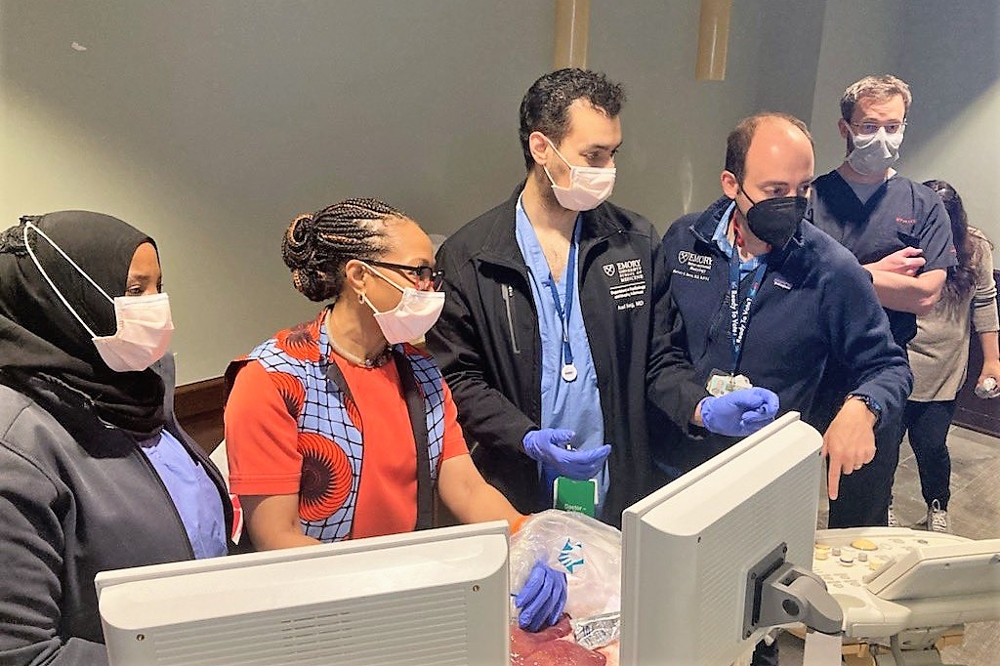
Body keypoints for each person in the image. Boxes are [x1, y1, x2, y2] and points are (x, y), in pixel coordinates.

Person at [425, 68, 778, 526]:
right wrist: (525, 436)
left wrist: (701, 407)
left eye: (612, 154)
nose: (607, 171)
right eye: (592, 155)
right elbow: (460, 380)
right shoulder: (472, 256)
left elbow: (658, 362)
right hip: (513, 492)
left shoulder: (633, 242)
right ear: (541, 149)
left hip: (619, 489)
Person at [223, 197, 563, 632]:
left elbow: (467, 488)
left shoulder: (420, 371)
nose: (431, 289)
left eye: (433, 275)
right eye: (418, 273)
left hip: (409, 603)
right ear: (360, 276)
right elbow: (277, 538)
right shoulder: (273, 380)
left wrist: (526, 544)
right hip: (319, 616)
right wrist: (384, 591)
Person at [0, 211, 233, 666]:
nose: (156, 304)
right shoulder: (19, 444)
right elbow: (22, 654)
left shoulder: (139, 390)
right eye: (133, 290)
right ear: (63, 302)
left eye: (158, 287)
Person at [659, 113, 912, 503]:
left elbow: (888, 366)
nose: (791, 204)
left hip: (765, 478)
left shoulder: (833, 269)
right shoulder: (684, 240)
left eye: (803, 188)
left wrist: (864, 406)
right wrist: (698, 408)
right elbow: (660, 349)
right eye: (775, 189)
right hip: (673, 459)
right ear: (731, 185)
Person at [806, 74, 955, 528]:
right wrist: (873, 273)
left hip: (877, 368)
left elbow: (926, 295)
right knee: (778, 492)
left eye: (893, 126)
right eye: (869, 126)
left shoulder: (924, 203)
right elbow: (791, 280)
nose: (882, 137)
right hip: (807, 364)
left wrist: (835, 271)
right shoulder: (811, 196)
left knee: (861, 508)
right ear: (844, 127)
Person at [900, 180, 999, 533]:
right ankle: (880, 507)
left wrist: (992, 360)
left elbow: (985, 302)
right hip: (897, 361)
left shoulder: (975, 248)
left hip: (944, 368)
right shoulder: (899, 239)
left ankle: (937, 505)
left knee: (930, 445)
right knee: (882, 449)